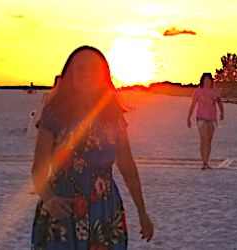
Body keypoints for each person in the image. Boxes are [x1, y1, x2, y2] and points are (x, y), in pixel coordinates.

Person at [31, 46, 154, 249]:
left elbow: (127, 166)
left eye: (94, 69)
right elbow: (38, 167)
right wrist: (49, 199)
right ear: (69, 74)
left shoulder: (113, 116)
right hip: (62, 207)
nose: (87, 73)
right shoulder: (54, 114)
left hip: (104, 208)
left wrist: (142, 211)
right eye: (80, 68)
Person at [185, 73, 224, 170]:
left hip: (212, 118)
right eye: (205, 80)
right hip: (201, 117)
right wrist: (189, 117)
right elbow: (193, 105)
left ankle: (207, 161)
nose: (207, 81)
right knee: (204, 140)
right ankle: (204, 162)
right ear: (202, 81)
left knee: (209, 141)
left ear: (211, 81)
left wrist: (222, 112)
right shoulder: (198, 91)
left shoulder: (216, 91)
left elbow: (219, 103)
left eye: (208, 80)